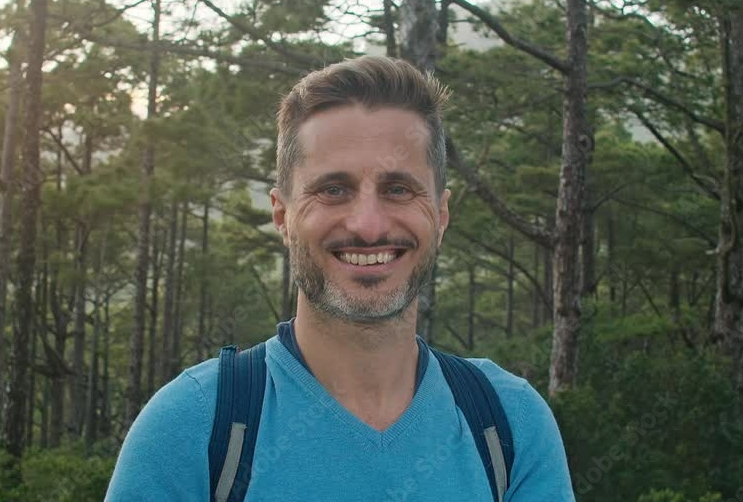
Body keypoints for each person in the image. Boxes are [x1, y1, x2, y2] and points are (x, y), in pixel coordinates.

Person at [105, 55, 575, 501]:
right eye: (333, 189)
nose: (367, 226)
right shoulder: (192, 427)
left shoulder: (510, 425)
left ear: (442, 213)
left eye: (398, 189)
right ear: (282, 215)